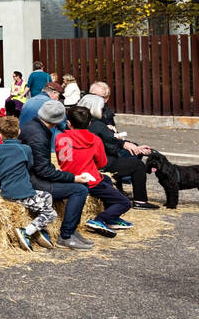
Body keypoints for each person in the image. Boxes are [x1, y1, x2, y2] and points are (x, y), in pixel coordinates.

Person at [19, 100, 94, 249]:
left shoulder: (31, 125)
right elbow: (43, 171)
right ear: (57, 120)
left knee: (78, 185)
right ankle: (66, 235)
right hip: (31, 181)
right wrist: (74, 178)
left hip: (29, 175)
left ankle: (72, 230)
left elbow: (42, 164)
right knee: (80, 189)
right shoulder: (39, 136)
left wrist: (62, 174)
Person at [55, 105, 133, 236]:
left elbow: (64, 161)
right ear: (90, 123)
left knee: (107, 180)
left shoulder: (62, 139)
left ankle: (111, 218)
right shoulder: (95, 140)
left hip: (70, 177)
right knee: (124, 203)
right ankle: (101, 219)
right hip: (91, 181)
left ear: (68, 123)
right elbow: (102, 163)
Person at [78, 94, 158, 209]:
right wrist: (134, 147)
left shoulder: (78, 122)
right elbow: (111, 145)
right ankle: (140, 201)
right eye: (101, 108)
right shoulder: (98, 124)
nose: (102, 110)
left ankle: (119, 192)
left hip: (83, 162)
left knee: (122, 160)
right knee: (138, 165)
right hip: (99, 163)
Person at [0, 114, 57, 251]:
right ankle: (27, 231)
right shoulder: (25, 149)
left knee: (47, 196)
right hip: (21, 193)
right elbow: (30, 165)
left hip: (6, 190)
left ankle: (38, 228)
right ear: (19, 131)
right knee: (51, 214)